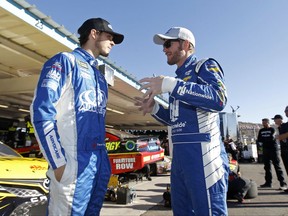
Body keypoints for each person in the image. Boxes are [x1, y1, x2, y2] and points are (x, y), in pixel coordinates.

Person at [30, 18, 124, 215]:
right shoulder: (65, 60)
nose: (113, 42)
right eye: (109, 36)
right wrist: (58, 162)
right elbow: (41, 111)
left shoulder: (99, 75)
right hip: (73, 161)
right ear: (93, 34)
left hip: (98, 161)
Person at [135, 27, 229, 216]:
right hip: (180, 159)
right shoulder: (177, 81)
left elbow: (219, 99)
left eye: (168, 43)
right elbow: (175, 120)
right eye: (163, 45)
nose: (164, 49)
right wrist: (154, 108)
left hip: (204, 157)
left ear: (186, 45)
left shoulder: (202, 66)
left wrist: (171, 85)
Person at [257, 118, 287, 189]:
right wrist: (264, 141)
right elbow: (259, 139)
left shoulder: (272, 129)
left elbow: (272, 138)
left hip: (273, 149)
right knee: (267, 167)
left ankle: (283, 183)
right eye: (263, 123)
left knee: (277, 166)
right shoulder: (261, 130)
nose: (263, 124)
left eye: (265, 123)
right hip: (265, 150)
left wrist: (265, 140)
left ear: (268, 122)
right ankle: (268, 183)